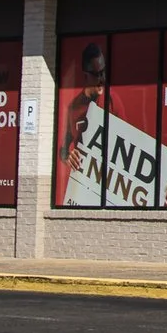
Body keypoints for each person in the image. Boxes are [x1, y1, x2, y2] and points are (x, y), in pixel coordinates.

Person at [58, 42, 108, 208]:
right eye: (97, 74)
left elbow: (131, 142)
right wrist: (67, 155)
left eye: (103, 72)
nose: (102, 79)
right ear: (85, 76)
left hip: (108, 187)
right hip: (83, 189)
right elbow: (63, 149)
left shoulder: (112, 102)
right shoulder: (73, 108)